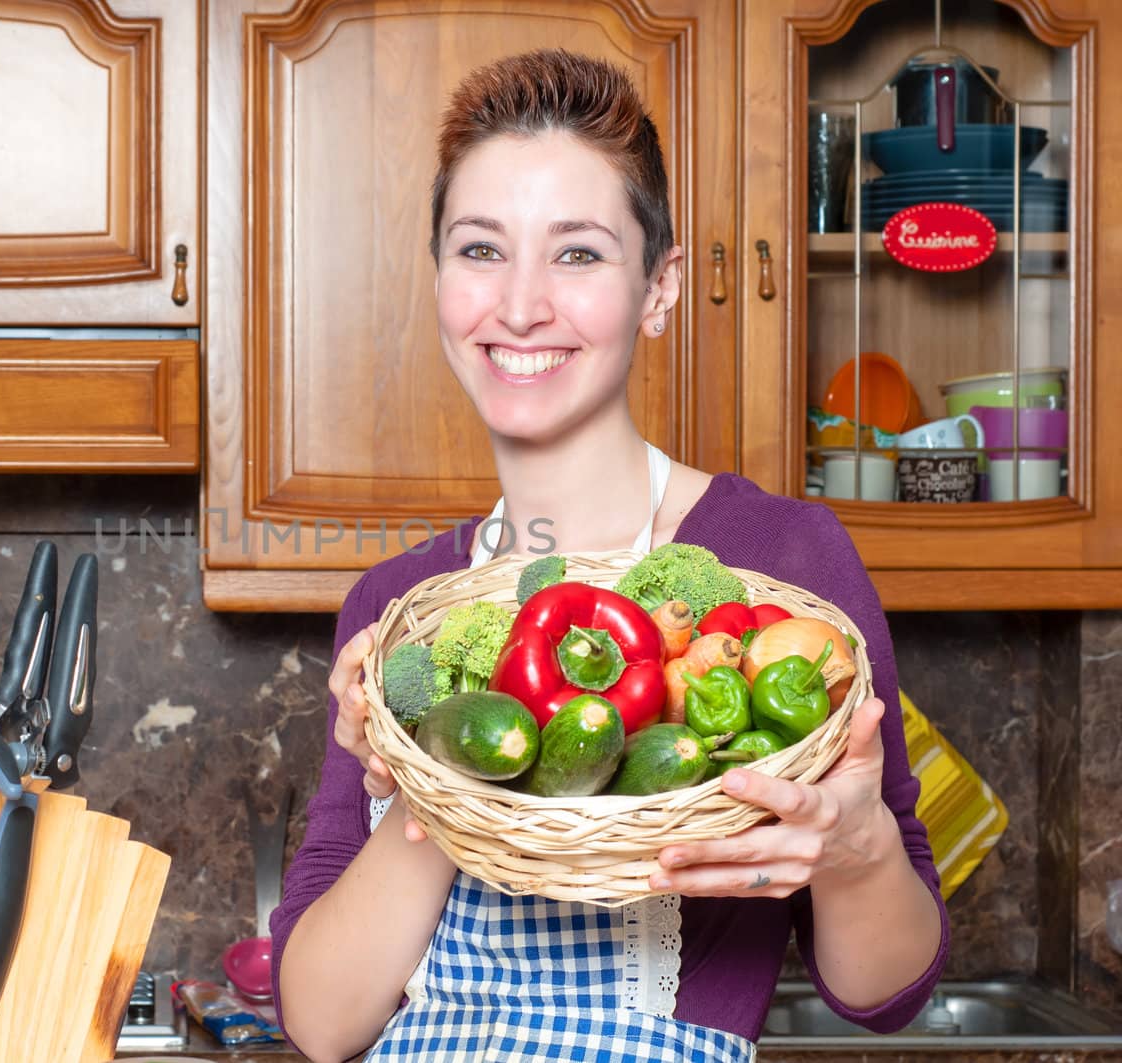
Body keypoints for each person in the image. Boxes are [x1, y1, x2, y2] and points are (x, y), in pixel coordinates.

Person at [269, 50, 949, 1062]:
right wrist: (427, 775)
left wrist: (852, 851)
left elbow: (880, 992)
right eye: (480, 250)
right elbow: (322, 1025)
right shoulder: (400, 609)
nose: (520, 304)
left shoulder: (780, 564)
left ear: (658, 287)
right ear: (441, 280)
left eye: (578, 254)